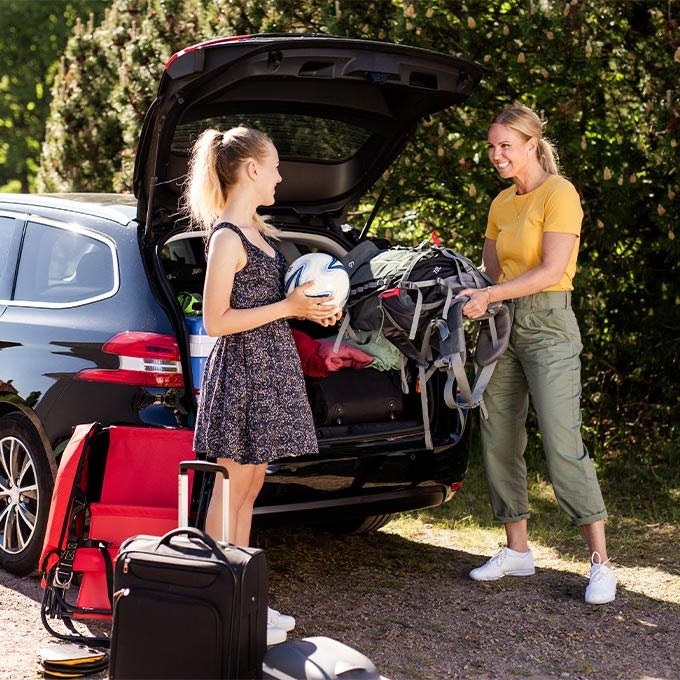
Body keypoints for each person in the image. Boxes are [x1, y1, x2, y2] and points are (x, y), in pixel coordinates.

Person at [184, 126, 343, 643]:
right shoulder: (227, 237)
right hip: (243, 370)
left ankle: (244, 594)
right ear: (252, 170)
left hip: (270, 366)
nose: (279, 176)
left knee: (250, 487)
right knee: (229, 487)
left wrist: (308, 310)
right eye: (274, 166)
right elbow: (216, 320)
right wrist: (288, 307)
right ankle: (217, 599)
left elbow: (274, 305)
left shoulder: (258, 230)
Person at [456, 104, 616, 605]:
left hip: (548, 324)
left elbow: (550, 270)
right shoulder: (501, 203)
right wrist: (467, 295)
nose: (496, 154)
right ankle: (518, 550)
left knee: (562, 441)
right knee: (499, 437)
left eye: (505, 145)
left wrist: (490, 294)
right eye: (491, 146)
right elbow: (490, 273)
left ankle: (601, 563)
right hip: (502, 324)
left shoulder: (559, 193)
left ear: (531, 144)